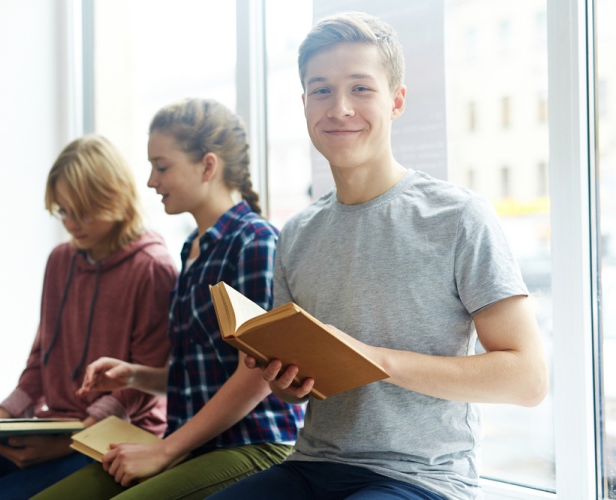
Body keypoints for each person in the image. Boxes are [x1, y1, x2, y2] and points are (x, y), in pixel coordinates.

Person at [208, 11, 548, 500]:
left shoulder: (458, 216)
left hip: (421, 477)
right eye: (321, 90)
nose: (340, 108)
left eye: (361, 89)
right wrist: (286, 381)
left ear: (397, 101)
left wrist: (375, 359)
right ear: (305, 104)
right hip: (312, 466)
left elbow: (528, 379)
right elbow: (292, 387)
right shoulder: (298, 233)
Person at [32, 98, 305, 500]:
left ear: (208, 166)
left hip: (253, 444)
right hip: (195, 444)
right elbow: (203, 374)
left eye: (161, 167)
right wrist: (135, 375)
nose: (150, 182)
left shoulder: (255, 241)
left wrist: (165, 450)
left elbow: (257, 377)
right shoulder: (193, 248)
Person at [0, 136, 177, 500]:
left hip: (115, 437)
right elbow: (40, 360)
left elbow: (141, 385)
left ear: (115, 197)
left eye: (82, 211)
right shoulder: (61, 260)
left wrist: (68, 443)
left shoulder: (152, 268)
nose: (71, 224)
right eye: (63, 211)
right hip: (52, 427)